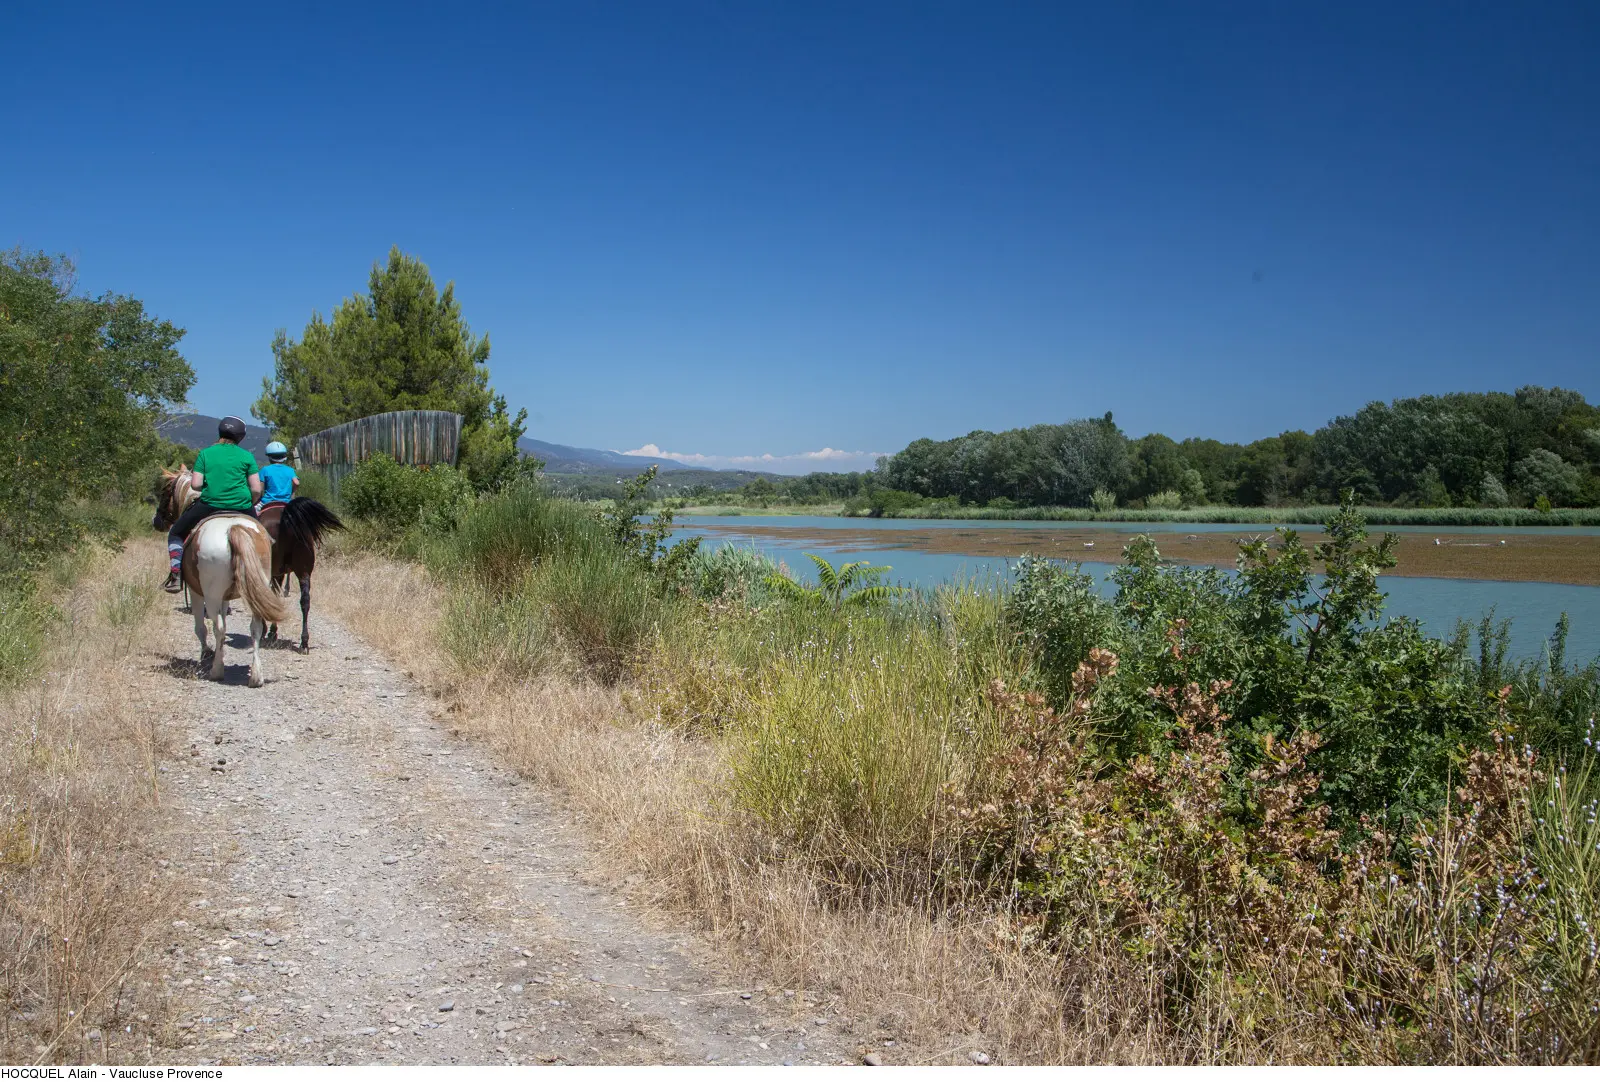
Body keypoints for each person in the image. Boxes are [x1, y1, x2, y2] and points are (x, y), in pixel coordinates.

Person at [163, 416, 262, 593]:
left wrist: (212, 484)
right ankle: (264, 577)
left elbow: (195, 485)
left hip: (209, 505)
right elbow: (255, 489)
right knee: (264, 538)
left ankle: (176, 574)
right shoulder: (247, 456)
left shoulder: (205, 454)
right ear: (240, 437)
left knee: (176, 533)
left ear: (220, 432)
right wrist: (249, 502)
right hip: (242, 505)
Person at [257, 441, 299, 511]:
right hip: (286, 502)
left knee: (253, 516)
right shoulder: (290, 470)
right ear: (283, 456)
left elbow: (259, 489)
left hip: (268, 502)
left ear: (269, 457)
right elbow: (297, 483)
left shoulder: (265, 470)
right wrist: (292, 494)